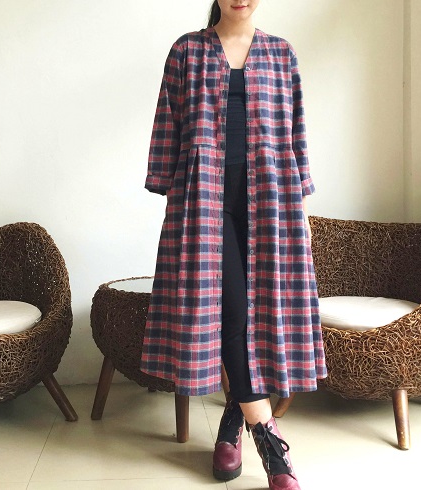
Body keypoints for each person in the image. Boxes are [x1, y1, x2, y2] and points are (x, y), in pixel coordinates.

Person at [142, 1, 327, 488]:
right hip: (204, 200)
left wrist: (302, 207)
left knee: (259, 311)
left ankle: (231, 423)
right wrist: (169, 192)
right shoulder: (187, 51)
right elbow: (167, 122)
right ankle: (268, 439)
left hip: (272, 199)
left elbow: (296, 133)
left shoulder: (282, 54)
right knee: (231, 310)